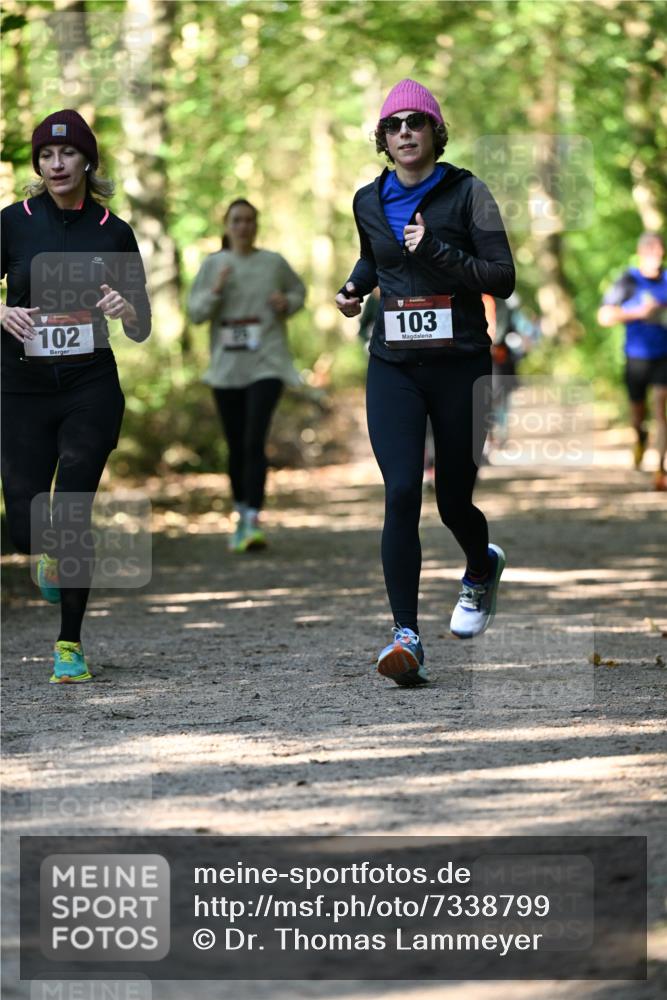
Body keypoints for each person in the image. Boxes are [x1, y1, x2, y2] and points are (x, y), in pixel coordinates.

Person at [335, 79, 515, 686]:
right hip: (393, 365)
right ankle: (405, 637)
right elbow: (375, 257)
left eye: (417, 122)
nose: (405, 132)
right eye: (394, 125)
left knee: (453, 500)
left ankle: (479, 566)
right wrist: (355, 288)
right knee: (400, 492)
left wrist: (436, 249)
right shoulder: (367, 198)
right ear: (383, 140)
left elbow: (502, 276)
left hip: (461, 365)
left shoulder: (469, 193)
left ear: (436, 133)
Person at [1, 109, 151, 683]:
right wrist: (2, 310)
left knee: (72, 510)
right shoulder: (13, 223)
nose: (56, 164)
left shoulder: (114, 231)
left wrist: (126, 307)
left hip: (89, 384)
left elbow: (140, 326)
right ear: (38, 166)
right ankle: (43, 552)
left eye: (66, 154)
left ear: (88, 160)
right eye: (45, 156)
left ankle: (69, 643)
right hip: (19, 388)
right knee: (26, 529)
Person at [187, 199, 306, 551]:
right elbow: (195, 313)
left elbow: (298, 291)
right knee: (236, 443)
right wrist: (216, 290)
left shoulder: (273, 262)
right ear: (226, 225)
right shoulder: (213, 265)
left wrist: (288, 302)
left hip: (267, 362)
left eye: (250, 220)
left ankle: (253, 518)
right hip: (227, 368)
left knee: (255, 439)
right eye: (237, 220)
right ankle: (240, 513)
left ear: (257, 225)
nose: (243, 226)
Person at [597, 232, 667, 491]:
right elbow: (604, 316)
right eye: (650, 252)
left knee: (661, 407)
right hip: (636, 356)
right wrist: (639, 312)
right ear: (641, 253)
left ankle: (660, 469)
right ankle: (640, 437)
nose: (656, 257)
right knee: (639, 413)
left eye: (659, 252)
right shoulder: (628, 280)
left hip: (664, 355)